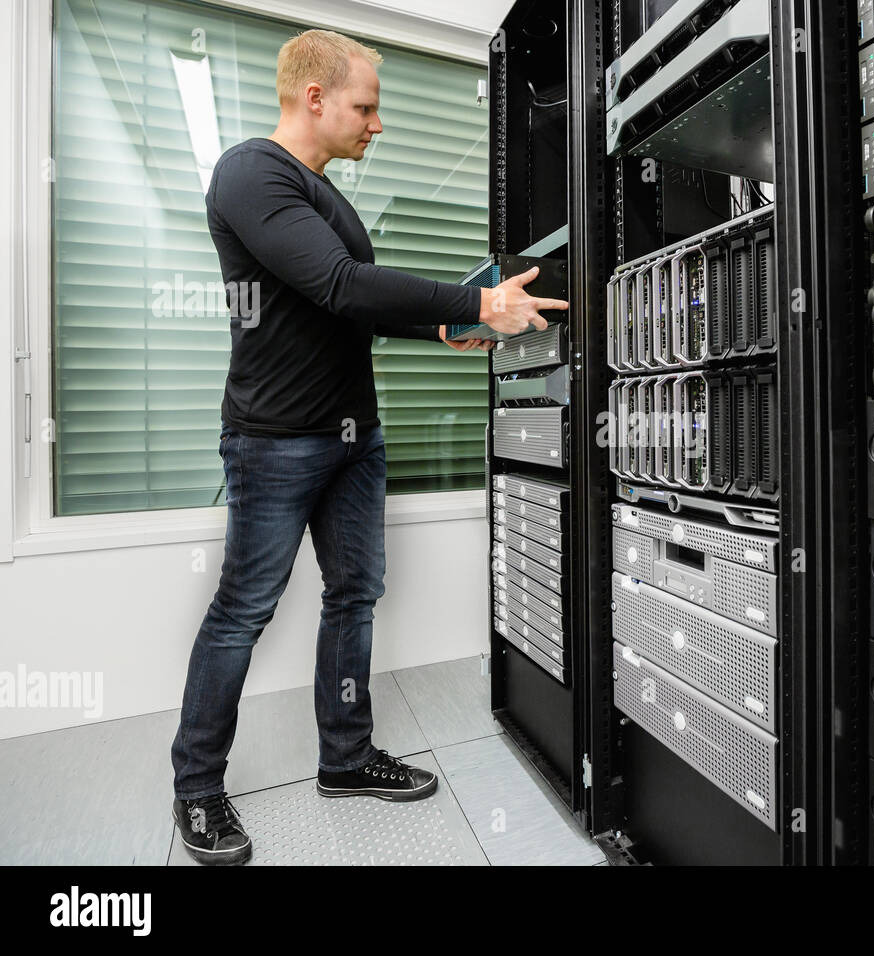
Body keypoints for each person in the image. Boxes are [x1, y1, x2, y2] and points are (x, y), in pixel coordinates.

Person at [169, 28, 568, 866]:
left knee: (354, 598)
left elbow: (356, 307)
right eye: (366, 106)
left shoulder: (329, 198)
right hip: (275, 441)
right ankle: (197, 789)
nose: (377, 124)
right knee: (244, 609)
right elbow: (338, 283)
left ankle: (345, 759)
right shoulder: (252, 172)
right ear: (314, 98)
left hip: (355, 437)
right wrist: (477, 300)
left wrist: (454, 322)